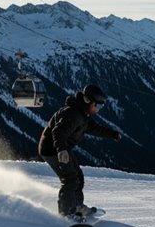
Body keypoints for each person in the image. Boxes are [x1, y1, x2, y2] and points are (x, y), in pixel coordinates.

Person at [38, 84, 122, 218]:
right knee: (70, 179)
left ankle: (77, 206)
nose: (99, 109)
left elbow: (94, 128)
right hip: (52, 149)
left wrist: (112, 134)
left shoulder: (83, 115)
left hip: (62, 148)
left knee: (78, 176)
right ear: (88, 101)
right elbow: (58, 132)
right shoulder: (72, 114)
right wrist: (61, 151)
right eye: (98, 106)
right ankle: (66, 214)